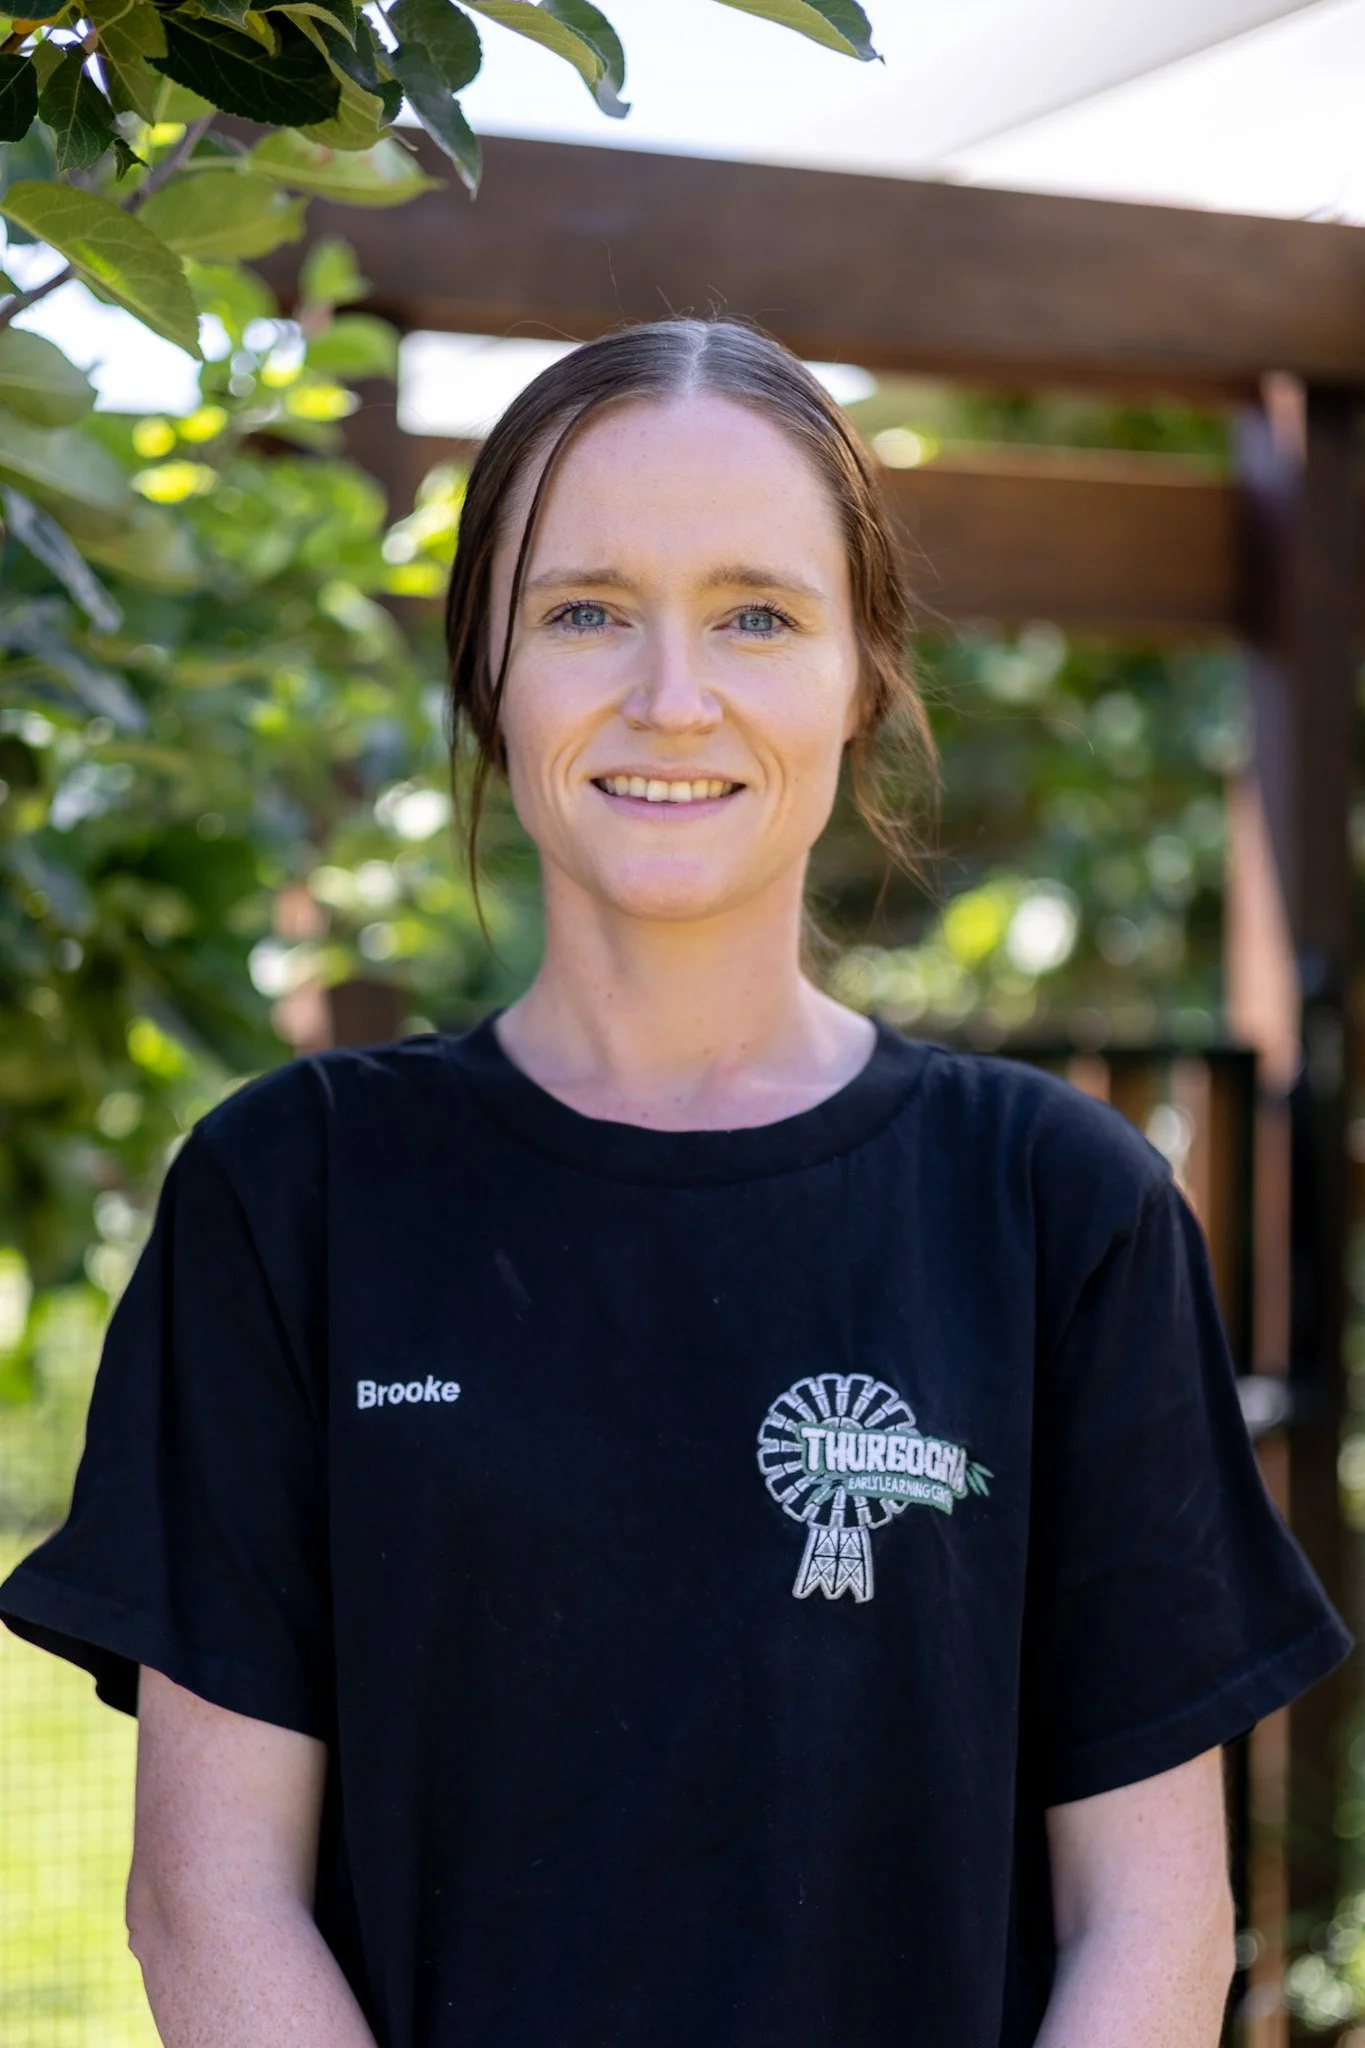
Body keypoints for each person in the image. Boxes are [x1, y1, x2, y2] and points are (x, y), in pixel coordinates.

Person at [0, 318, 1349, 2048]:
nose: (670, 695)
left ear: (863, 671)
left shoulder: (1057, 1209)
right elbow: (208, 1900)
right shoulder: (295, 1193)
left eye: (757, 614)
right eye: (583, 612)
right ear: (484, 668)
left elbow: (1156, 1916)